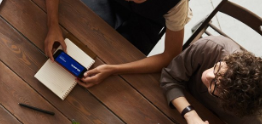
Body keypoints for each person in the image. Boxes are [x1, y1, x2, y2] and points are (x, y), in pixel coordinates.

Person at [44, 0, 193, 87]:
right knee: (77, 32)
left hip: (145, 25)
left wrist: (114, 69)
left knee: (110, 80)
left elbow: (171, 55)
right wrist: (53, 25)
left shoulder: (177, 4)